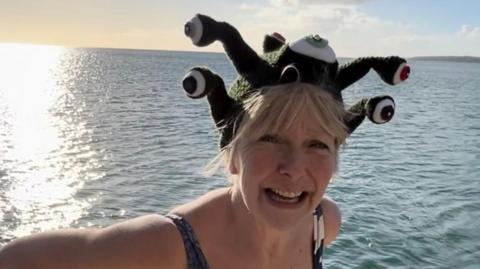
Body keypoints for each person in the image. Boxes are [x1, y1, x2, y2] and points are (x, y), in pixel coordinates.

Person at [0, 83, 347, 269]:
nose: (294, 168)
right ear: (233, 156)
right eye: (271, 138)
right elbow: (18, 259)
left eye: (317, 145)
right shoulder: (168, 246)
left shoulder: (323, 222)